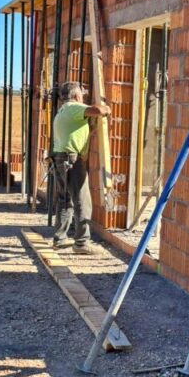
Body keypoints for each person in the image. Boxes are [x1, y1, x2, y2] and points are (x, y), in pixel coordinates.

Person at [52, 81, 111, 254]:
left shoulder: (63, 110)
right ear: (77, 96)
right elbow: (98, 110)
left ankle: (60, 239)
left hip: (60, 158)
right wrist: (106, 109)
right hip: (71, 159)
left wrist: (90, 130)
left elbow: (76, 132)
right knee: (82, 201)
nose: (83, 97)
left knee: (65, 200)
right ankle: (82, 243)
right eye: (82, 95)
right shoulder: (74, 107)